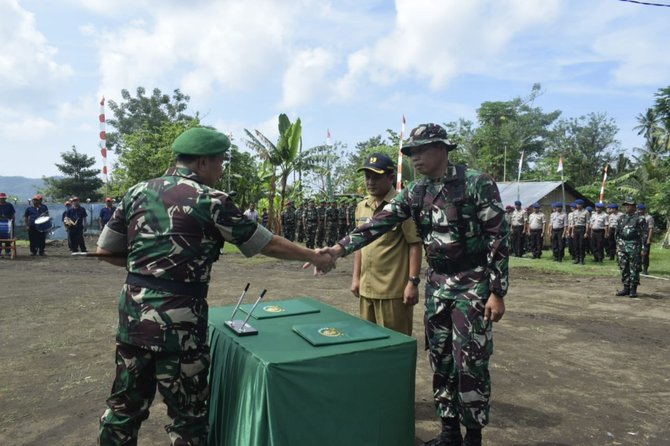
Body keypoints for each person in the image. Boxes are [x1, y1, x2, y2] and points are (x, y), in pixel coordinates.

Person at [96, 127, 335, 445]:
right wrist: (314, 256)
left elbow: (106, 250)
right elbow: (267, 244)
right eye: (221, 163)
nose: (222, 171)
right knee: (188, 418)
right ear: (204, 162)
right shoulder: (211, 200)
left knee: (123, 410)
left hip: (133, 319)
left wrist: (149, 270)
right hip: (180, 326)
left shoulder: (137, 192)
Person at [320, 124, 508, 446]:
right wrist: (338, 249)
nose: (414, 158)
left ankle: (473, 437)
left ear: (442, 149)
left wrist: (497, 291)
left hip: (472, 284)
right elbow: (378, 223)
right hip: (437, 284)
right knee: (441, 358)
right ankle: (449, 433)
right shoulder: (417, 192)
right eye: (410, 153)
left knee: (470, 361)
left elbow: (497, 236)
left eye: (420, 151)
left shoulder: (476, 183)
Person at [351, 152, 422, 335]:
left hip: (393, 292)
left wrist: (412, 283)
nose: (370, 182)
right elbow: (359, 244)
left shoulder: (402, 206)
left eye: (376, 177)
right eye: (367, 177)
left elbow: (414, 244)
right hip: (367, 290)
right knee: (368, 341)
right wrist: (356, 278)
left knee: (394, 344)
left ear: (391, 177)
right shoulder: (362, 207)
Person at [615, 197, 647, 298]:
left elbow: (644, 234)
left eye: (629, 205)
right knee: (623, 267)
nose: (627, 207)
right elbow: (617, 233)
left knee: (634, 267)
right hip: (622, 245)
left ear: (634, 206)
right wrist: (618, 245)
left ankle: (633, 289)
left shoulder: (640, 219)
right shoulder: (621, 218)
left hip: (634, 245)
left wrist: (644, 248)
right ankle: (626, 288)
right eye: (625, 205)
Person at [637, 204, 654, 275]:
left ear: (644, 210)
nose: (639, 211)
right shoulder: (636, 216)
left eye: (641, 210)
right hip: (637, 237)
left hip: (645, 237)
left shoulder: (649, 218)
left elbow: (651, 229)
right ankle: (638, 267)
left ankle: (645, 269)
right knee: (637, 253)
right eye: (638, 210)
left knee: (645, 254)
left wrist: (649, 239)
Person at [571, 199, 589, 265]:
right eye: (577, 204)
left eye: (579, 204)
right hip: (576, 228)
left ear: (582, 205)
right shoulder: (574, 212)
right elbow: (573, 223)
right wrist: (572, 232)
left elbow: (587, 222)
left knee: (581, 244)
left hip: (582, 228)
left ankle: (582, 259)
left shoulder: (586, 212)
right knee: (575, 244)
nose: (578, 206)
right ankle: (577, 258)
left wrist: (586, 232)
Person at [0, 192, 16, 258]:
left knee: (8, 236)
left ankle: (7, 252)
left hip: (8, 222)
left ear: (5, 198)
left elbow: (13, 214)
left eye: (3, 198)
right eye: (1, 198)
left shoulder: (9, 205)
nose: (2, 199)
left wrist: (13, 221)